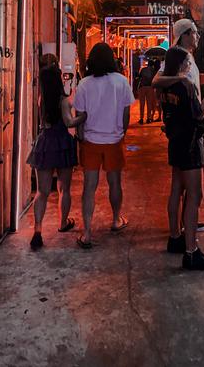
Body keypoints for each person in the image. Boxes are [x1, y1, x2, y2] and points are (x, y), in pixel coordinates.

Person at [153, 19, 204, 233]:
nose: (198, 36)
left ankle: (180, 230)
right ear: (184, 34)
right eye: (194, 32)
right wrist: (187, 82)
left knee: (178, 186)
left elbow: (195, 79)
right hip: (188, 132)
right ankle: (188, 241)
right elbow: (158, 81)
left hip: (179, 131)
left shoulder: (187, 58)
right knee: (193, 191)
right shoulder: (177, 56)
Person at [160, 46, 204, 270]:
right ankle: (191, 251)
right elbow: (199, 114)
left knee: (177, 188)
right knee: (195, 195)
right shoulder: (186, 86)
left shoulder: (166, 87)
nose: (189, 65)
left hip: (175, 142)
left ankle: (176, 237)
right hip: (191, 144)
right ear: (181, 64)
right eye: (187, 62)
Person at [74, 42, 135, 248]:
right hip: (113, 139)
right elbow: (126, 114)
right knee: (115, 182)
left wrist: (81, 137)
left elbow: (80, 115)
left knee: (89, 187)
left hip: (91, 140)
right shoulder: (121, 81)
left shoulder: (84, 84)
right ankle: (116, 219)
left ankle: (87, 232)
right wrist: (121, 132)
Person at [28, 58, 86, 250]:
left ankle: (37, 230)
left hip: (44, 143)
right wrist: (83, 117)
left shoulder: (41, 100)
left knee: (42, 192)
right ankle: (62, 223)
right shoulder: (63, 101)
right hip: (61, 144)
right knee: (64, 188)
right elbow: (69, 123)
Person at [137, 59, 155, 124]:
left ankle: (141, 118)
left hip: (142, 87)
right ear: (152, 65)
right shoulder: (153, 70)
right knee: (149, 103)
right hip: (150, 87)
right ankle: (148, 118)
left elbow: (139, 77)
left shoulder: (143, 69)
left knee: (142, 104)